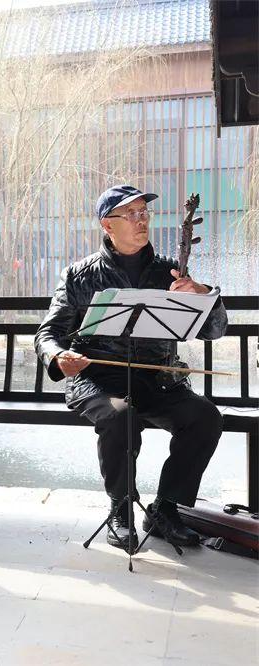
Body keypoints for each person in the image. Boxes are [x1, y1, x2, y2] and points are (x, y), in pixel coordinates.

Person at [34, 185, 227, 551]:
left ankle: (165, 509)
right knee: (119, 415)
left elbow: (214, 331)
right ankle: (120, 508)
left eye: (145, 213)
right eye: (132, 214)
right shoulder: (79, 275)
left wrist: (203, 295)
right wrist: (59, 357)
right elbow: (48, 333)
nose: (143, 221)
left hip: (158, 378)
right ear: (108, 225)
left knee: (205, 418)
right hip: (97, 378)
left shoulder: (170, 270)